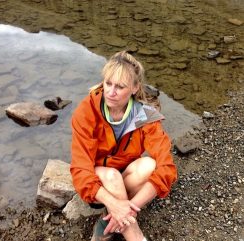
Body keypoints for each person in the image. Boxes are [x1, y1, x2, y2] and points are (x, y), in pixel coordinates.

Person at [70, 51, 177, 241]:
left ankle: (109, 221)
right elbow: (80, 168)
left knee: (150, 165)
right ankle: (135, 236)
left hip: (126, 181)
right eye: (108, 83)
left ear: (135, 88)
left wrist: (126, 209)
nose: (111, 92)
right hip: (99, 182)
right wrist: (113, 202)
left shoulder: (145, 116)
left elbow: (166, 167)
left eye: (120, 87)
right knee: (111, 176)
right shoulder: (87, 111)